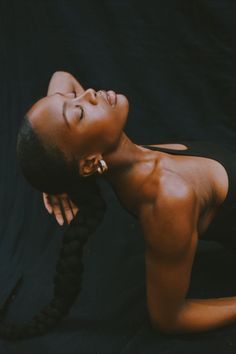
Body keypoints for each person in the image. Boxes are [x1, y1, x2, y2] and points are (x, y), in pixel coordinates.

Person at [2, 71, 236, 340]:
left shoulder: (127, 159)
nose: (88, 93)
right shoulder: (168, 198)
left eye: (73, 97)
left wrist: (55, 179)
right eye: (78, 113)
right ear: (89, 163)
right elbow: (168, 319)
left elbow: (61, 78)